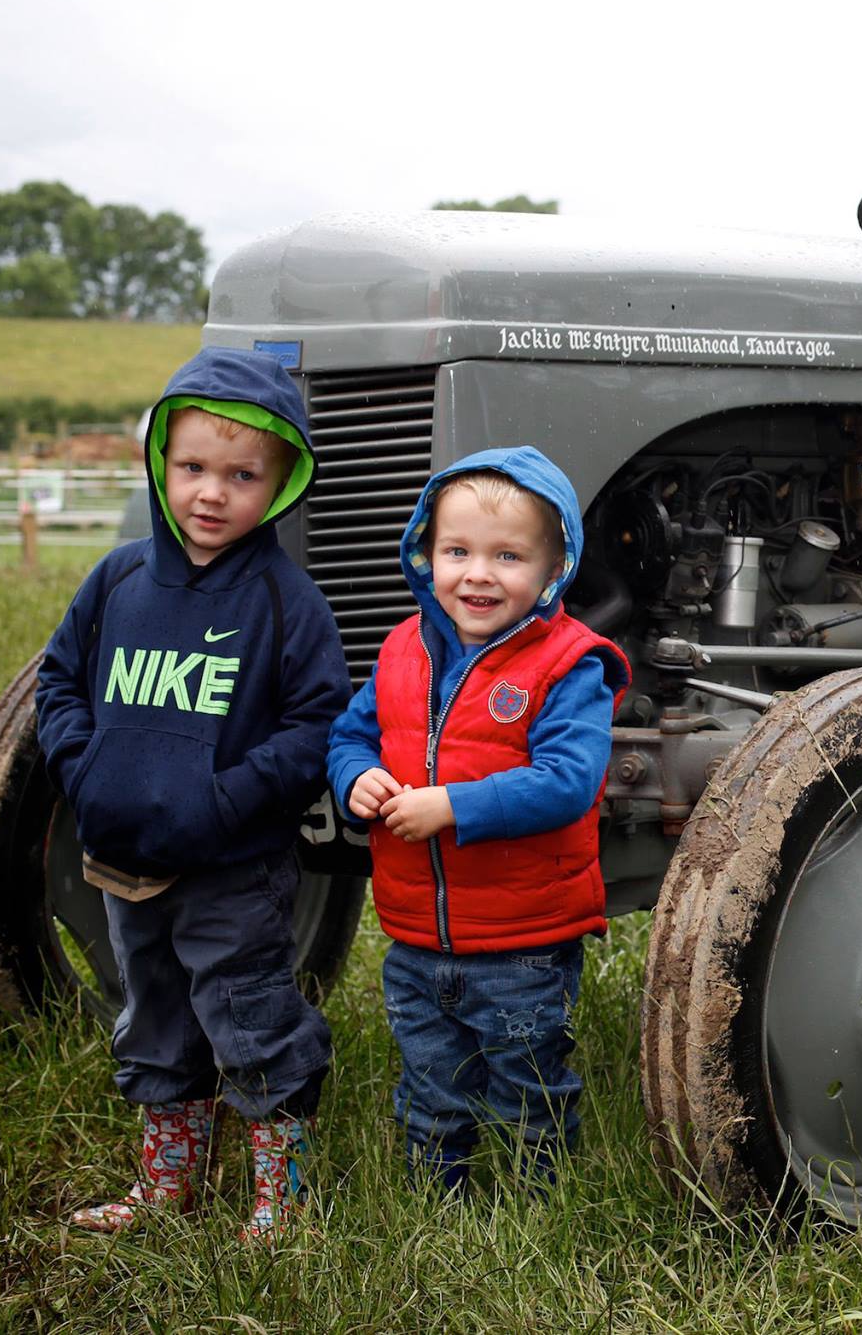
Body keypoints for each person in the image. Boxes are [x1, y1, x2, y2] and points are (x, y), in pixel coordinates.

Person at [35, 346, 349, 1241]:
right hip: (124, 856)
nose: (212, 493)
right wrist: (86, 770)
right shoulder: (119, 579)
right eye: (193, 468)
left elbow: (316, 723)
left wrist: (227, 799)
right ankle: (167, 1182)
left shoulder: (286, 601)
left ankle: (277, 1198)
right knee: (156, 1014)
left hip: (230, 866)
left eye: (242, 475)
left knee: (246, 1012)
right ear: (162, 464)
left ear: (281, 483)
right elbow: (59, 682)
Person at [326, 446, 628, 1193]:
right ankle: (439, 1205)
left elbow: (567, 781)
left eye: (508, 555)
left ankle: (537, 1204)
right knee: (430, 1088)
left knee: (527, 1087)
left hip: (523, 941)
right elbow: (351, 733)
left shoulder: (568, 665)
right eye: (457, 550)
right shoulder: (402, 650)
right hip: (416, 938)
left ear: (553, 570)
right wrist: (354, 776)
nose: (479, 573)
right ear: (426, 555)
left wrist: (454, 805)